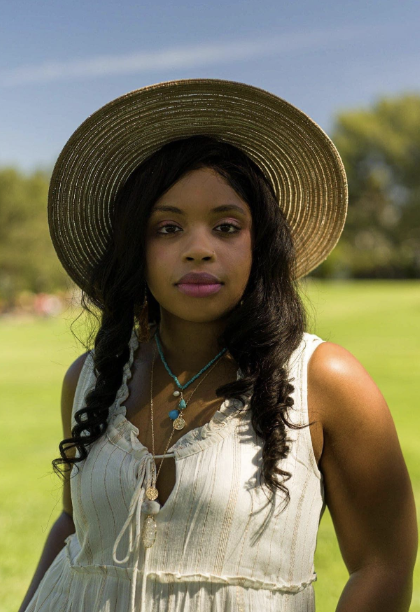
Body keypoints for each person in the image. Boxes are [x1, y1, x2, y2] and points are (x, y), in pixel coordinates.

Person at [20, 79, 417, 612]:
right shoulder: (92, 377)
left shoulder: (323, 380)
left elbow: (384, 563)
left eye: (227, 227)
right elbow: (74, 525)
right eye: (168, 228)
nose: (198, 249)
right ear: (136, 248)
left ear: (261, 244)